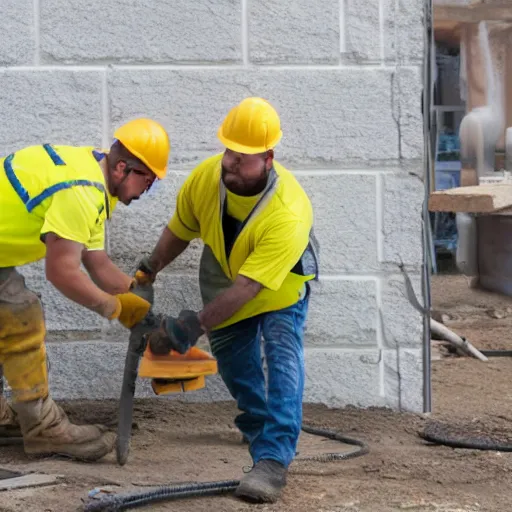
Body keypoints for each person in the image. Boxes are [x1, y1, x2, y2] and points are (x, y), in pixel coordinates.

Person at [137, 97, 319, 503]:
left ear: (268, 158)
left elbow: (249, 290)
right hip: (225, 279)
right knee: (237, 367)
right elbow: (180, 230)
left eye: (244, 156)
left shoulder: (288, 211)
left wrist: (189, 328)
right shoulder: (207, 177)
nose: (231, 162)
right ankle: (259, 429)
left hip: (276, 288)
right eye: (229, 151)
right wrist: (148, 269)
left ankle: (273, 460)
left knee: (282, 357)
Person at [0, 118, 170, 461]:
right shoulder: (81, 190)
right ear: (123, 167)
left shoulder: (94, 181)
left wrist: (137, 297)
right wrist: (114, 308)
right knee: (21, 314)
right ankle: (44, 430)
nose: (144, 193)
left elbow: (96, 263)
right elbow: (62, 271)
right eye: (146, 181)